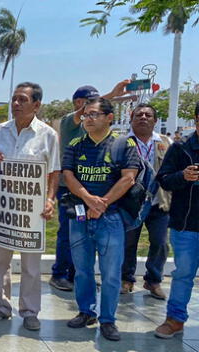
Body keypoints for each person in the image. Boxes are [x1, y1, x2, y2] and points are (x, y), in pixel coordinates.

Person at [0, 82, 60, 332]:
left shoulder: (47, 135)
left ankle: (29, 311)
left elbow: (54, 171)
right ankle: (1, 306)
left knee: (31, 266)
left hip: (31, 213)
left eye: (22, 100)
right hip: (2, 211)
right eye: (14, 99)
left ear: (36, 105)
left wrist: (50, 200)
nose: (16, 104)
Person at [62, 97, 140, 341]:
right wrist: (89, 199)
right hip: (81, 217)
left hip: (111, 218)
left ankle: (108, 319)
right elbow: (69, 175)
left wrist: (102, 202)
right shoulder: (76, 143)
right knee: (82, 270)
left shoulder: (122, 144)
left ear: (109, 117)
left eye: (94, 114)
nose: (88, 118)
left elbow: (128, 178)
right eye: (86, 115)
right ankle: (86, 311)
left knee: (111, 273)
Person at [50, 81, 130, 292]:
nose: (91, 114)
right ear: (79, 103)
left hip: (93, 190)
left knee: (85, 233)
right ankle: (59, 273)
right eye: (89, 104)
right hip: (70, 188)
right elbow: (90, 110)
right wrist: (112, 94)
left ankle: (78, 274)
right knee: (68, 231)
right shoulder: (69, 121)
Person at [154, 102, 199, 339]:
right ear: (196, 119)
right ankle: (175, 319)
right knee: (183, 274)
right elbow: (164, 180)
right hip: (186, 225)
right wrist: (183, 176)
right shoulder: (181, 148)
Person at [120, 104, 171, 299]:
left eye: (148, 115)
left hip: (159, 202)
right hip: (131, 203)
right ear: (131, 119)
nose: (143, 117)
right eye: (138, 115)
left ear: (155, 120)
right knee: (128, 243)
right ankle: (126, 279)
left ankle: (153, 280)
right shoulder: (122, 143)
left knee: (160, 242)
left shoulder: (166, 142)